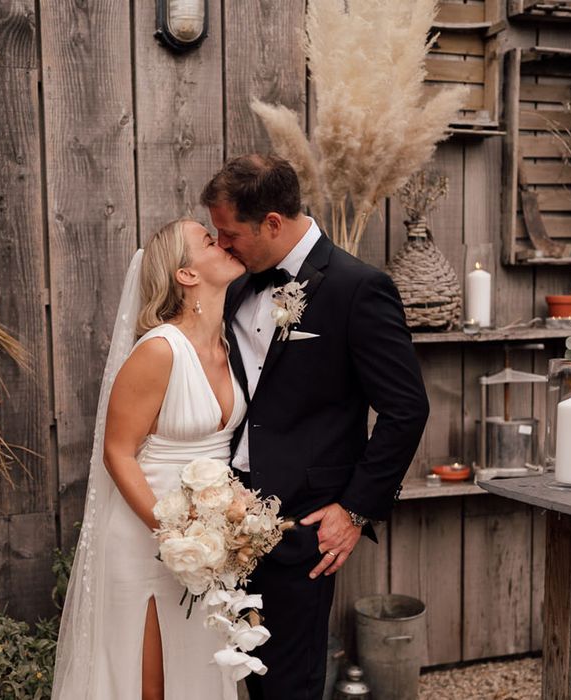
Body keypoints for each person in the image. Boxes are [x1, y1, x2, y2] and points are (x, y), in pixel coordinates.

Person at [200, 154, 430, 700]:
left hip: (300, 525)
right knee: (222, 674)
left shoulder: (359, 288)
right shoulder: (236, 284)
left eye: (229, 233)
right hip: (217, 515)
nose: (221, 245)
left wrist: (354, 509)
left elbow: (406, 408)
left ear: (272, 223)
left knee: (286, 682)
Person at [52, 219, 247, 700]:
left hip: (210, 541)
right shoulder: (160, 350)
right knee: (150, 685)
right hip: (148, 537)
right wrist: (174, 533)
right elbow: (117, 453)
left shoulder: (229, 346)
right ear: (185, 275)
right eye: (208, 239)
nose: (222, 241)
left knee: (201, 672)